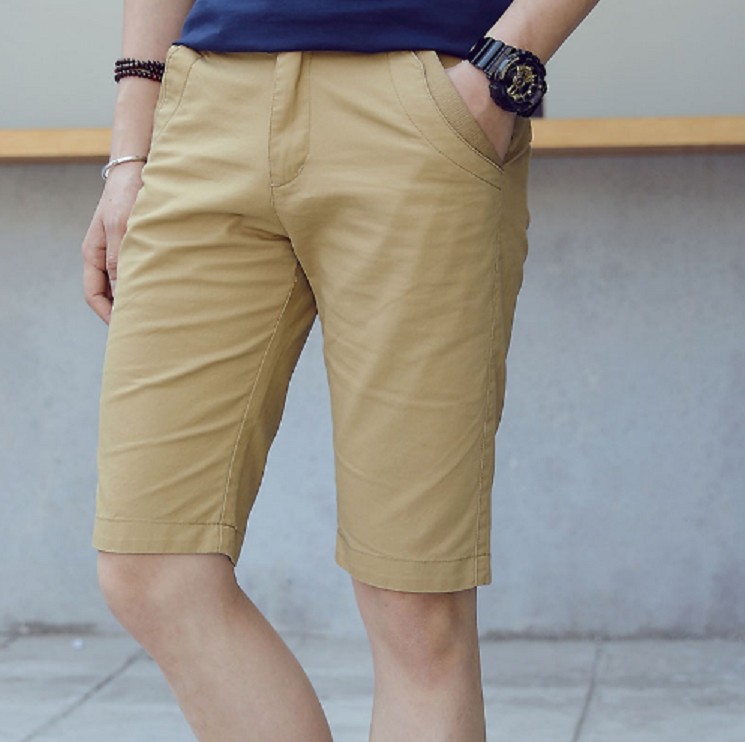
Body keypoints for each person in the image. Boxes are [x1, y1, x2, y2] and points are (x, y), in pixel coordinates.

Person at [81, 1, 599, 740]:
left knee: (414, 603)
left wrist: (501, 69)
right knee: (149, 560)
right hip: (206, 106)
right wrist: (130, 151)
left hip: (421, 98)